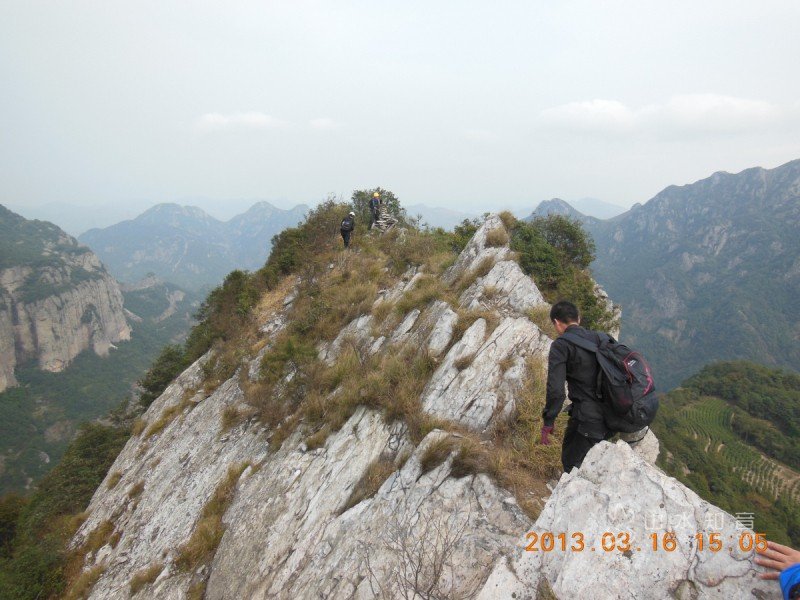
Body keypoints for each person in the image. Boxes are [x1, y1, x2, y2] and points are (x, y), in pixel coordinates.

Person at [541, 300, 612, 472]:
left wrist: (549, 421)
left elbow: (556, 391)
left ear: (557, 323)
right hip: (613, 415)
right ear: (578, 319)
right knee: (586, 463)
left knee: (572, 464)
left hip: (588, 419)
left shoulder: (561, 346)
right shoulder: (602, 338)